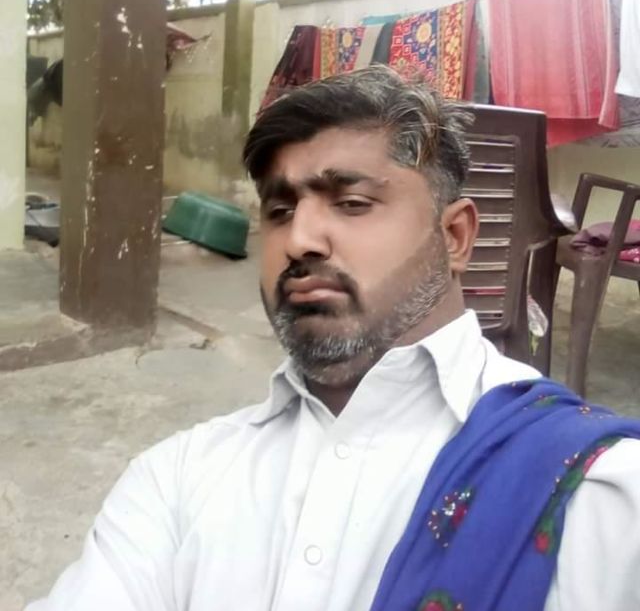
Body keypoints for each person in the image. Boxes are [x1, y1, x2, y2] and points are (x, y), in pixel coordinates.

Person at [28, 66, 640, 611]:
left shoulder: (599, 493)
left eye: (350, 202)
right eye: (279, 212)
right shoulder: (179, 481)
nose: (299, 240)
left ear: (454, 238)